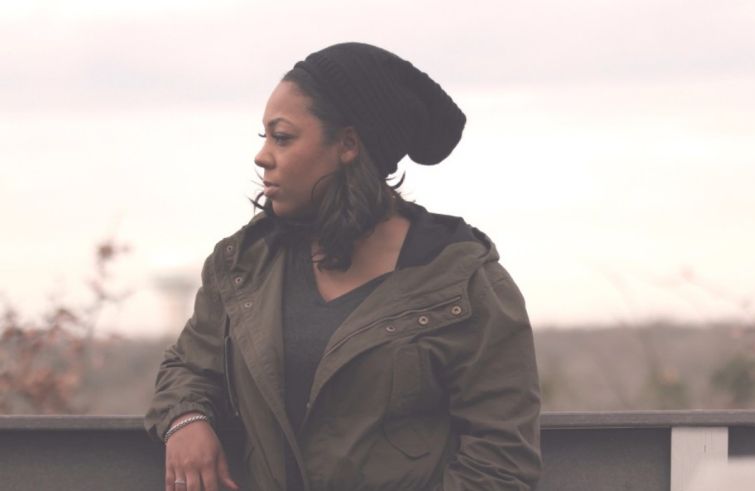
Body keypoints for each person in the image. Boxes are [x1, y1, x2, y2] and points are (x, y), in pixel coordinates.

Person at [144, 42, 542, 491]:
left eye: (282, 137)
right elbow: (187, 365)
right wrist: (186, 419)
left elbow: (501, 463)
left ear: (348, 144)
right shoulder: (244, 266)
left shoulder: (463, 283)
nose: (262, 156)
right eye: (265, 138)